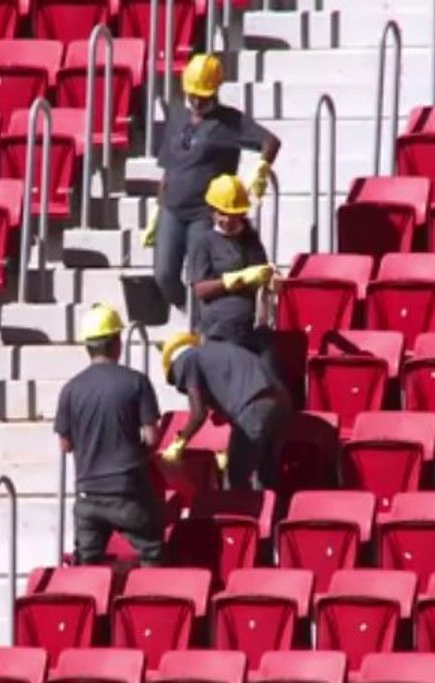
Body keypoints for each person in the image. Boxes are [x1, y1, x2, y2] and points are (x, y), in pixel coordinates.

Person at [145, 53, 281, 312]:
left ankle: (200, 327)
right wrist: (157, 206)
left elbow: (270, 142)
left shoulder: (230, 121)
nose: (197, 101)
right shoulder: (177, 119)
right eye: (192, 95)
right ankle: (189, 314)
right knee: (164, 274)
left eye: (203, 95)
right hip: (173, 208)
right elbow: (169, 169)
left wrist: (261, 168)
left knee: (200, 276)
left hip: (205, 212)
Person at [54, 305, 165, 566]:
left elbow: (65, 444)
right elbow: (152, 438)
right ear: (117, 343)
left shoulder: (70, 389)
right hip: (128, 492)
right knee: (152, 555)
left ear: (87, 347)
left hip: (88, 496)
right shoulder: (136, 382)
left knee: (86, 567)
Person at [158, 332, 291, 491]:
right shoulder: (213, 353)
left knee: (235, 476)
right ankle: (269, 513)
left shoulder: (186, 360)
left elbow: (198, 414)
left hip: (255, 406)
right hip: (281, 402)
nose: (184, 390)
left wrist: (179, 442)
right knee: (265, 474)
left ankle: (237, 515)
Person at [189, 174, 276, 351]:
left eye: (234, 215)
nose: (228, 220)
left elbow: (263, 271)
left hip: (249, 329)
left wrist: (270, 278)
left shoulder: (250, 238)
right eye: (223, 214)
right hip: (218, 329)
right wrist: (232, 280)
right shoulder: (204, 241)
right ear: (212, 211)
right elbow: (200, 289)